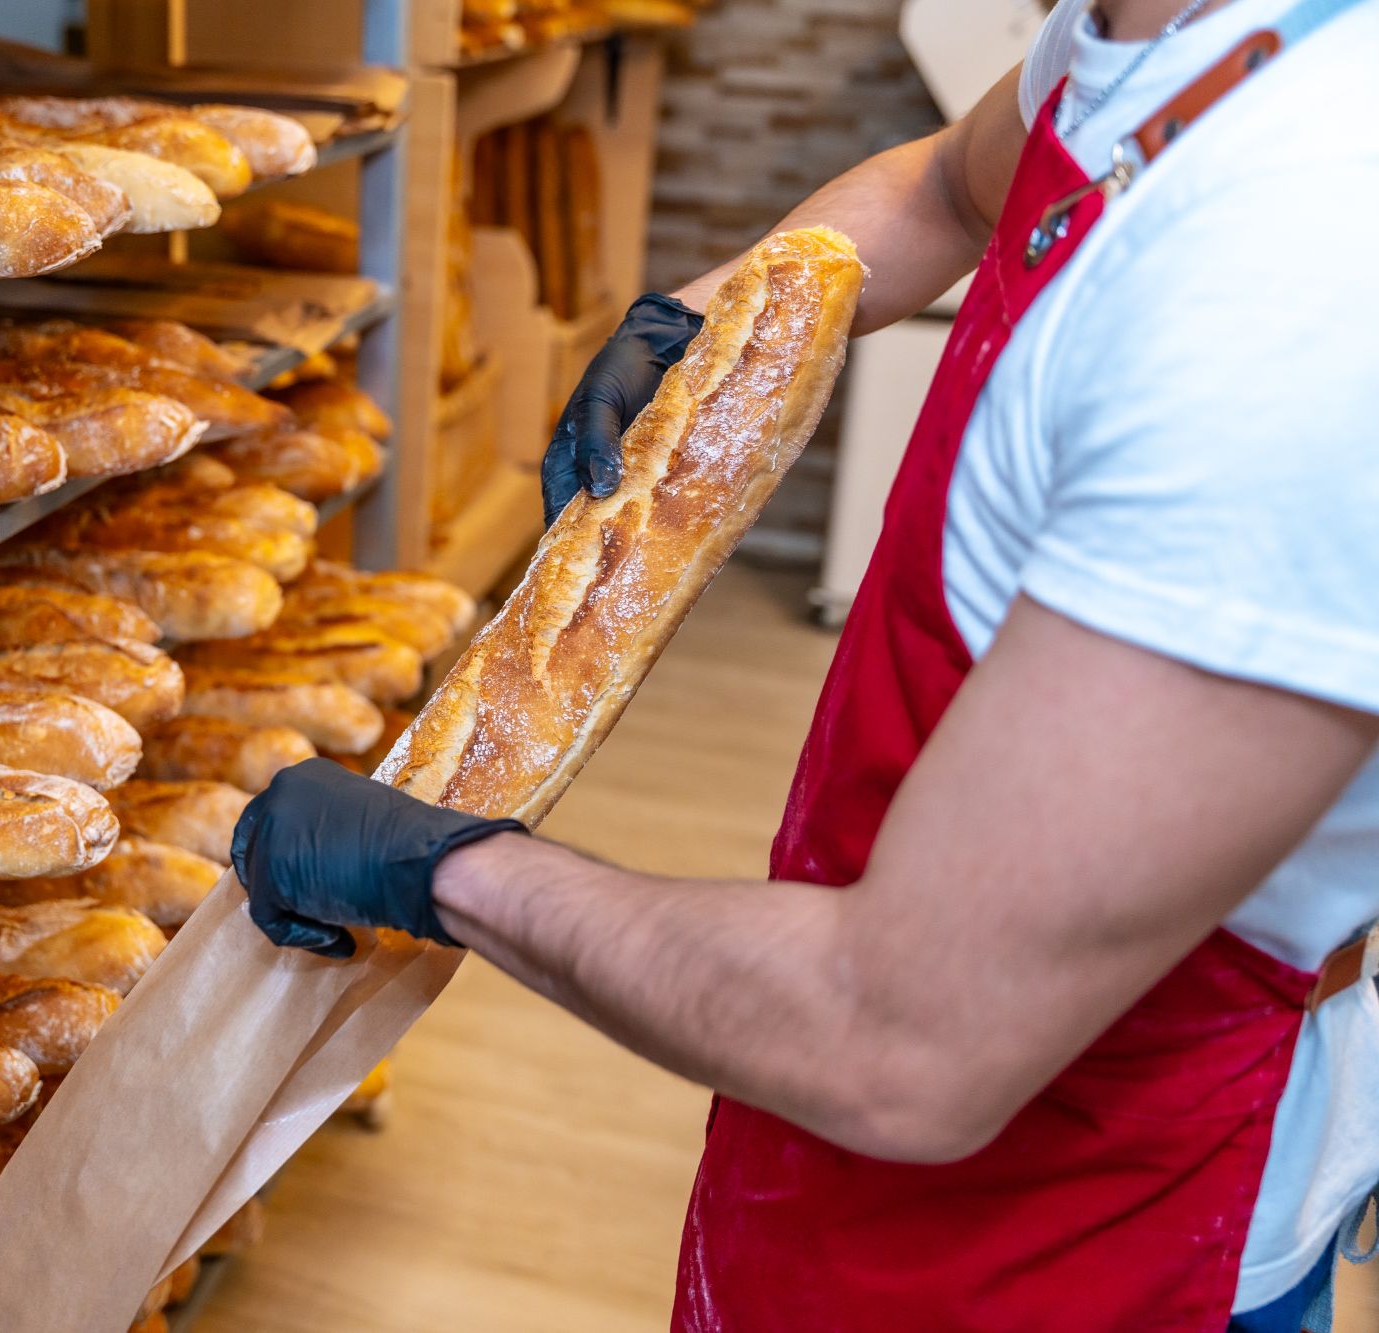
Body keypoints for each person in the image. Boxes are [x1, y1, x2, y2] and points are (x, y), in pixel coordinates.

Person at [229, 0, 1379, 1327]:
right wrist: (703, 320)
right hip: (849, 1095)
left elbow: (901, 1039)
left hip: (1093, 1220)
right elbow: (948, 182)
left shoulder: (1302, 263)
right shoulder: (1142, 31)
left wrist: (439, 867)